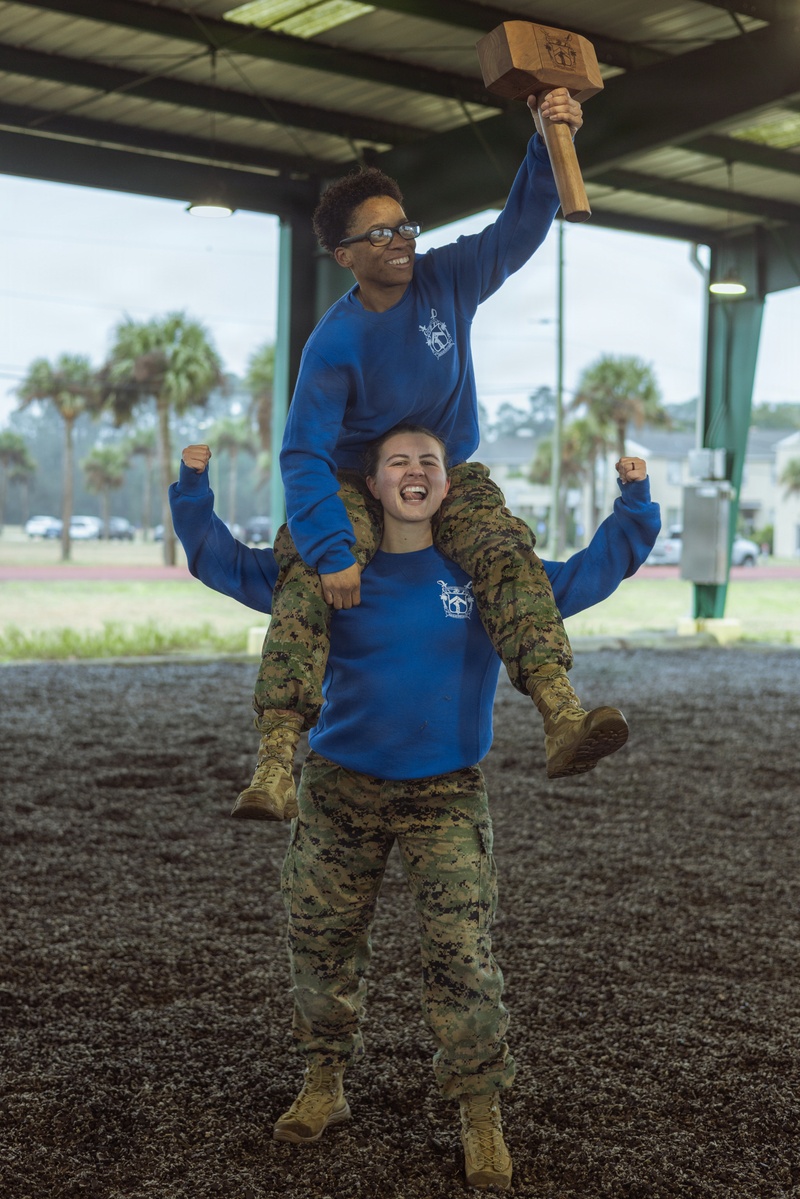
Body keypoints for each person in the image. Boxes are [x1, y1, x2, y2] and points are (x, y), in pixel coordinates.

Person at [170, 431, 660, 1192]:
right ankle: (325, 1082)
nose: (416, 470)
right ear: (371, 481)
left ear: (447, 483)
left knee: (463, 956)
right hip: (339, 787)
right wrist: (193, 488)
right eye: (398, 460)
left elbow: (594, 572)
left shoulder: (487, 572)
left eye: (429, 460)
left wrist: (635, 504)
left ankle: (480, 1114)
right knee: (321, 944)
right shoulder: (336, 566)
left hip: (445, 792)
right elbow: (222, 561)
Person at [236, 88, 630, 824]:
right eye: (381, 234)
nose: (402, 241)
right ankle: (276, 761)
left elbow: (517, 228)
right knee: (308, 573)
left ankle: (560, 712)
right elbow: (303, 454)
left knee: (505, 550)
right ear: (345, 256)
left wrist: (547, 139)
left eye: (406, 225)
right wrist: (331, 549)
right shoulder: (334, 343)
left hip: (446, 469)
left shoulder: (447, 278)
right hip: (356, 480)